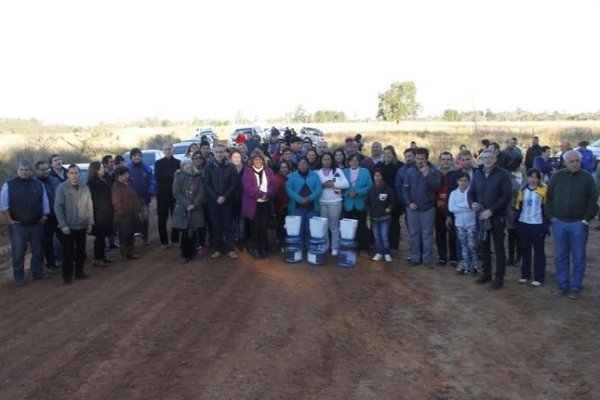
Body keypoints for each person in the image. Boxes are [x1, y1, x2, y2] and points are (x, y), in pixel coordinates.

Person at [546, 150, 599, 299]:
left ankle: (576, 287)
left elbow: (593, 200)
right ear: (565, 162)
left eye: (577, 161)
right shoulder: (557, 177)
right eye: (572, 161)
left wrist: (585, 219)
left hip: (578, 224)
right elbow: (548, 197)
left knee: (578, 257)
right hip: (559, 222)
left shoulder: (587, 178)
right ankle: (562, 285)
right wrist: (551, 217)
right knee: (561, 255)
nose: (575, 164)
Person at [1, 161, 50, 286]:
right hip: (18, 225)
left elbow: (44, 200)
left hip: (36, 224)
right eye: (22, 169)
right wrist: (10, 220)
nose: (24, 172)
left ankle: (37, 272)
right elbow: (4, 204)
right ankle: (19, 277)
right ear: (17, 170)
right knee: (18, 252)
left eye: (27, 170)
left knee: (38, 251)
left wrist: (45, 215)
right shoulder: (9, 185)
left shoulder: (38, 184)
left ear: (30, 171)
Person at [468, 149, 512, 289]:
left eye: (491, 157)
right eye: (485, 157)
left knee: (499, 248)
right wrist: (472, 203)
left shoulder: (503, 174)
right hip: (481, 216)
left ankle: (499, 277)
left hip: (496, 217)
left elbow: (506, 196)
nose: (488, 160)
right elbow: (471, 192)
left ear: (495, 158)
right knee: (484, 246)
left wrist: (491, 210)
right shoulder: (477, 173)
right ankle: (486, 273)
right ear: (481, 158)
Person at [54, 164, 94, 286]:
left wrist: (90, 222)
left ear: (79, 174)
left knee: (81, 252)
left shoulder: (84, 187)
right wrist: (63, 224)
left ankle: (79, 272)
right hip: (68, 227)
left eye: (76, 173)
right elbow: (58, 207)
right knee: (68, 253)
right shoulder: (62, 187)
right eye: (71, 173)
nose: (74, 175)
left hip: (82, 225)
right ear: (67, 174)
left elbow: (89, 205)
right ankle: (67, 276)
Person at [402, 148, 441, 267]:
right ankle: (415, 257)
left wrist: (426, 175)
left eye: (422, 159)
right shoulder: (409, 171)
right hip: (412, 208)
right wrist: (409, 203)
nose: (419, 161)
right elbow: (405, 189)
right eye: (417, 158)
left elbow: (436, 187)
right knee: (414, 233)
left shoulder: (433, 170)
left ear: (426, 159)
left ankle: (427, 259)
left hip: (427, 209)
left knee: (427, 234)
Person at [204, 144, 239, 259]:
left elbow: (233, 184)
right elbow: (207, 184)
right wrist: (216, 197)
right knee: (216, 225)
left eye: (221, 152)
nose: (219, 154)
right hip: (213, 201)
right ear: (213, 153)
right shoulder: (208, 166)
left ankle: (230, 249)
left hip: (227, 201)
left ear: (225, 153)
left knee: (228, 226)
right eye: (217, 152)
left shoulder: (231, 166)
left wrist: (224, 196)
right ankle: (217, 249)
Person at [515, 168, 548, 287]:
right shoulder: (522, 190)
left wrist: (545, 225)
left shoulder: (544, 190)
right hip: (523, 223)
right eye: (531, 176)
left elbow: (546, 209)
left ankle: (539, 277)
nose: (533, 179)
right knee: (525, 250)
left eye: (536, 177)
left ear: (539, 179)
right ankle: (525, 275)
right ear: (527, 177)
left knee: (539, 251)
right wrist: (517, 222)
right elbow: (518, 207)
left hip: (537, 224)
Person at [242, 151, 277, 259]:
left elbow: (273, 185)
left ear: (263, 160)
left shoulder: (269, 170)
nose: (258, 161)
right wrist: (261, 194)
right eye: (255, 159)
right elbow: (248, 187)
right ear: (252, 161)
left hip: (266, 203)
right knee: (255, 226)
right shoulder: (248, 171)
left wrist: (268, 195)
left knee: (263, 226)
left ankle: (263, 247)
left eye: (260, 159)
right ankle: (255, 248)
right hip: (254, 203)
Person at [172, 159, 206, 264]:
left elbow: (201, 192)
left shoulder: (198, 177)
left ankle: (193, 253)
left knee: (194, 231)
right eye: (186, 167)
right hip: (183, 209)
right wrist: (187, 204)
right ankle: (184, 254)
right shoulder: (178, 177)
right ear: (182, 168)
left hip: (196, 209)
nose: (189, 168)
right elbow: (176, 192)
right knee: (186, 232)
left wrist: (194, 204)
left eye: (190, 166)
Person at [316, 152, 350, 255]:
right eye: (324, 159)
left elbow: (346, 184)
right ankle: (325, 246)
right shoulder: (317, 172)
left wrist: (333, 184)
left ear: (332, 160)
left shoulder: (338, 171)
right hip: (322, 202)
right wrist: (322, 185)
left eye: (328, 159)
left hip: (335, 202)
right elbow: (314, 185)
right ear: (321, 161)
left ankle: (335, 247)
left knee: (334, 226)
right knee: (324, 226)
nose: (326, 161)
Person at [285, 157, 323, 246]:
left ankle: (310, 248)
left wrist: (310, 198)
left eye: (304, 163)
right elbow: (289, 189)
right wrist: (299, 199)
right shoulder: (292, 176)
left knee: (311, 229)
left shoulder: (314, 175)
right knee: (298, 228)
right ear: (297, 165)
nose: (302, 165)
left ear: (308, 164)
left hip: (311, 206)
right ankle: (298, 248)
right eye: (300, 163)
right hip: (297, 207)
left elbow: (319, 188)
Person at [448, 173, 478, 275]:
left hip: (471, 223)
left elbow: (473, 206)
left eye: (465, 181)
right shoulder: (453, 193)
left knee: (472, 245)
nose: (463, 183)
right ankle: (465, 266)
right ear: (457, 182)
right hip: (459, 224)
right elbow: (451, 208)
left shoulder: (472, 192)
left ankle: (475, 266)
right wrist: (467, 206)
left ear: (469, 182)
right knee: (463, 245)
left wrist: (459, 206)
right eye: (461, 180)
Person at [34, 161, 61, 273]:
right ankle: (51, 264)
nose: (45, 172)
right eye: (42, 170)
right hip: (45, 217)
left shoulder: (55, 180)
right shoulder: (34, 183)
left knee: (64, 238)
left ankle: (66, 259)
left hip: (58, 214)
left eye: (47, 169)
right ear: (37, 170)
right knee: (47, 242)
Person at [342, 154, 373, 253]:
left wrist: (358, 192)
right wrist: (347, 193)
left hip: (360, 204)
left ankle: (362, 247)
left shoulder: (365, 172)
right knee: (349, 228)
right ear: (348, 162)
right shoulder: (344, 172)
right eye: (352, 161)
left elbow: (370, 186)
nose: (354, 163)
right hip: (348, 204)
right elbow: (339, 187)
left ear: (359, 162)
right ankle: (349, 247)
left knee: (362, 227)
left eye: (356, 161)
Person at [111, 166, 142, 261]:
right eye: (125, 174)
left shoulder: (128, 184)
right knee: (124, 235)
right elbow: (116, 202)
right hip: (123, 216)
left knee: (131, 234)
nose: (127, 176)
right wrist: (121, 212)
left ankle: (130, 252)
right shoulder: (116, 186)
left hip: (132, 213)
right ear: (119, 176)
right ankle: (123, 254)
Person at [87, 162, 114, 267]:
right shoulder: (92, 183)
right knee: (99, 237)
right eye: (101, 168)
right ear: (95, 170)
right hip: (99, 214)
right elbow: (95, 199)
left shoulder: (101, 181)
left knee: (103, 236)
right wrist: (103, 209)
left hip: (105, 212)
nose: (103, 170)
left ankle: (102, 256)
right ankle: (97, 258)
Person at [154, 142, 181, 250]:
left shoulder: (178, 163)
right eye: (165, 149)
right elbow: (158, 177)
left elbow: (179, 177)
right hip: (162, 195)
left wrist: (167, 176)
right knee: (162, 219)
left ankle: (175, 240)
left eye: (169, 149)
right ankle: (164, 242)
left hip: (175, 195)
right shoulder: (158, 163)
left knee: (176, 218)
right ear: (163, 151)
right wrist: (172, 175)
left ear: (172, 150)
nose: (168, 151)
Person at [377, 146, 404, 250]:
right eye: (385, 153)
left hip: (394, 197)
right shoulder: (379, 165)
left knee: (394, 221)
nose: (387, 155)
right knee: (381, 221)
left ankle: (393, 245)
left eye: (389, 153)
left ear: (393, 154)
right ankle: (382, 244)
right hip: (381, 197)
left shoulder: (399, 165)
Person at [128, 148, 156, 246]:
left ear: (141, 157)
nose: (137, 157)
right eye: (134, 155)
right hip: (131, 200)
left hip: (144, 198)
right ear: (131, 157)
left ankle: (145, 238)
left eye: (138, 155)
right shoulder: (128, 169)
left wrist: (150, 192)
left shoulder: (146, 168)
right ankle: (132, 240)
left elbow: (152, 181)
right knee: (133, 219)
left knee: (145, 219)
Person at [366, 169, 395, 262]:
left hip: (385, 218)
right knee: (377, 237)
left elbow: (393, 202)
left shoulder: (388, 189)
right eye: (375, 176)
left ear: (382, 177)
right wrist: (369, 211)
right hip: (374, 218)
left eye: (379, 176)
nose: (377, 178)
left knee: (384, 236)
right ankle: (379, 253)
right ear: (373, 177)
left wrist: (389, 208)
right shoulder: (370, 190)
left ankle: (386, 253)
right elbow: (367, 202)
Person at [434, 152, 456, 266]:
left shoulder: (456, 173)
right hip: (438, 207)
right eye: (443, 159)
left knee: (452, 233)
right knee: (440, 233)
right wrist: (436, 200)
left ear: (451, 161)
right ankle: (442, 257)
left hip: (451, 208)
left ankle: (453, 257)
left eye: (448, 159)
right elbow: (431, 189)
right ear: (440, 160)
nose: (446, 161)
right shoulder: (435, 173)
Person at [272, 161, 290, 246]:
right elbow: (276, 195)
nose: (284, 169)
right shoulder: (277, 179)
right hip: (280, 207)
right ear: (278, 169)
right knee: (281, 226)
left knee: (283, 225)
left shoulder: (285, 178)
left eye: (285, 167)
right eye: (282, 167)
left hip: (284, 206)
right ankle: (280, 243)